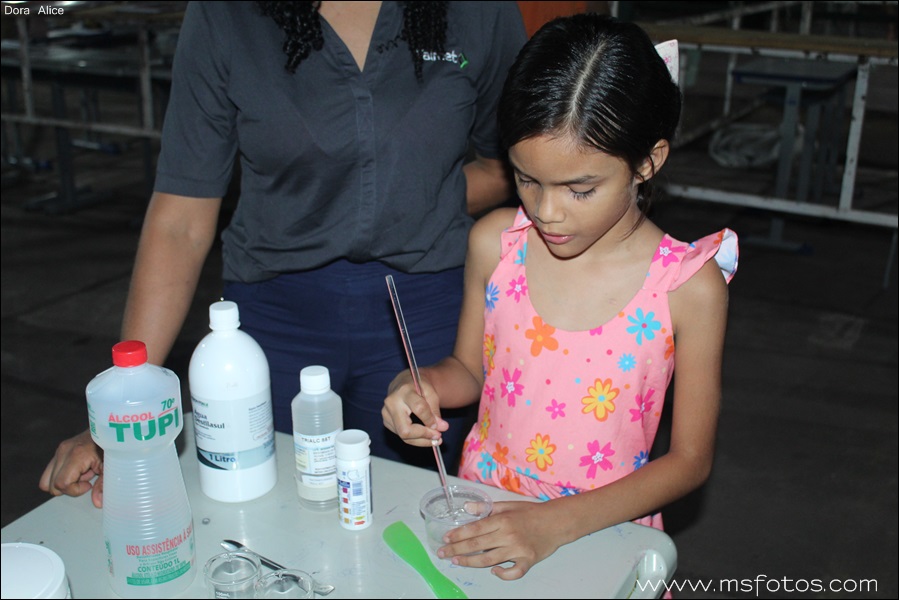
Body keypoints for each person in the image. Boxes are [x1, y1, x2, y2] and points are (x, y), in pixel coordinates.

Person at [39, 1, 527, 508]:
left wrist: (414, 197)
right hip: (272, 323)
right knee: (262, 512)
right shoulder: (226, 14)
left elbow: (514, 166)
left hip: (425, 316)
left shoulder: (478, 11)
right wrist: (124, 412)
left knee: (421, 511)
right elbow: (180, 221)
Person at [382, 13, 739, 580]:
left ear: (648, 161)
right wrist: (419, 384)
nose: (547, 211)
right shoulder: (496, 245)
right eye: (527, 179)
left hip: (604, 530)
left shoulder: (687, 287)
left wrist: (553, 523)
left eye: (580, 189)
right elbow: (469, 372)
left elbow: (690, 460)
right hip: (483, 512)